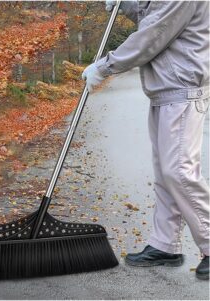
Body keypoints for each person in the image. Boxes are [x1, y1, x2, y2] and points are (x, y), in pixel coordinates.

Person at [82, 1, 209, 280]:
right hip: (166, 91)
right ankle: (165, 245)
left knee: (179, 173)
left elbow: (153, 33)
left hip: (181, 91)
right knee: (166, 176)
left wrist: (106, 66)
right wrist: (125, 3)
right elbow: (151, 13)